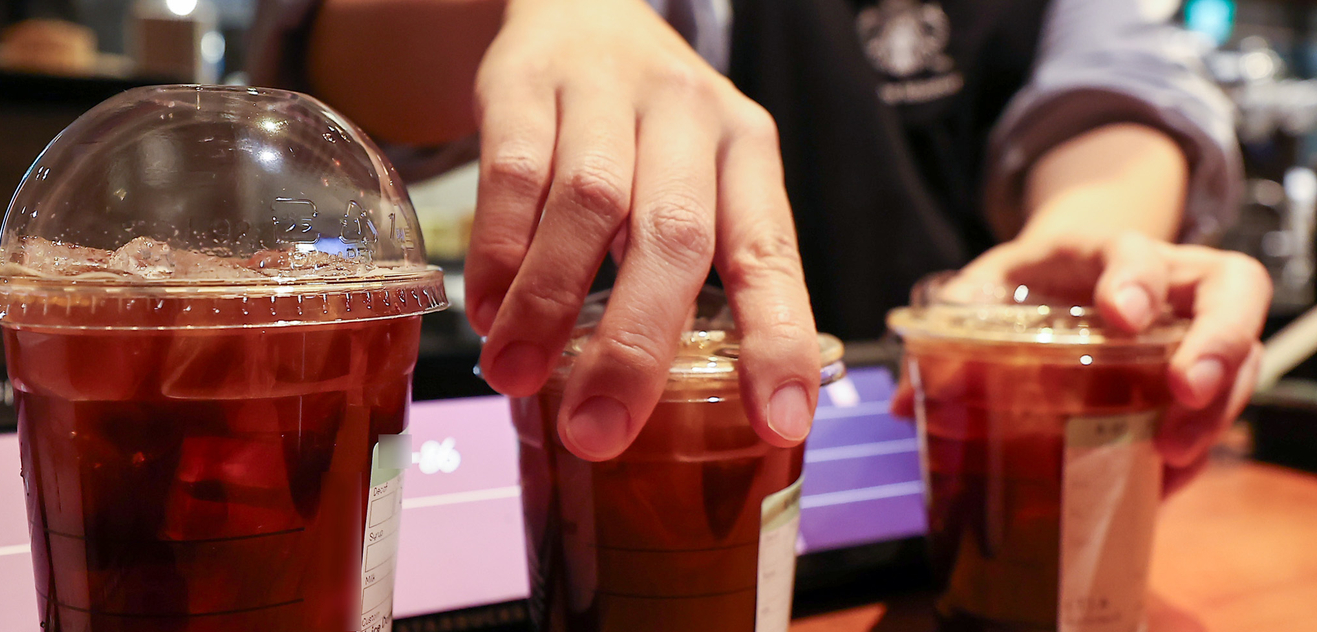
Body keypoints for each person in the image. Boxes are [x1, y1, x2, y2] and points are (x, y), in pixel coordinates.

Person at [251, 0, 1270, 490]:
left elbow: (1117, 82)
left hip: (952, 473)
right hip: (646, 460)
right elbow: (346, 63)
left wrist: (1091, 235)